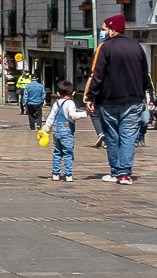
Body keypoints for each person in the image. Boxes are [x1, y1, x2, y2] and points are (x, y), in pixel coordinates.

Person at [83, 14, 149, 185]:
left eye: (104, 29)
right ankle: (125, 174)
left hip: (109, 100)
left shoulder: (105, 48)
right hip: (134, 100)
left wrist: (91, 96)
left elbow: (98, 75)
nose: (102, 32)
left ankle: (115, 172)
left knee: (112, 136)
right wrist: (145, 94)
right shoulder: (136, 47)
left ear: (112, 30)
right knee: (128, 136)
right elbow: (144, 75)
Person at [47, 79, 87, 182]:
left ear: (58, 93)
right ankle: (68, 175)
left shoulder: (56, 103)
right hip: (67, 131)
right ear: (73, 93)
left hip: (56, 131)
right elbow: (73, 115)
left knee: (57, 152)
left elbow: (51, 117)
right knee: (68, 153)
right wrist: (86, 114)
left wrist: (46, 129)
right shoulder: (70, 103)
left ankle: (55, 174)